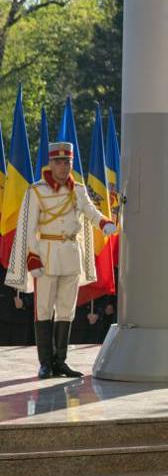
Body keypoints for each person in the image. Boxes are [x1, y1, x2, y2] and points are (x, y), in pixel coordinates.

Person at [4, 142, 116, 378]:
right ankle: (45, 362)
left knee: (66, 310)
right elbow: (28, 226)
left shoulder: (79, 190)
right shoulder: (37, 191)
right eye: (59, 162)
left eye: (67, 162)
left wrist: (104, 223)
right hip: (45, 255)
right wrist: (32, 257)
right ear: (50, 163)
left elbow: (91, 212)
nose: (63, 167)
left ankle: (60, 361)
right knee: (44, 309)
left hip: (71, 255)